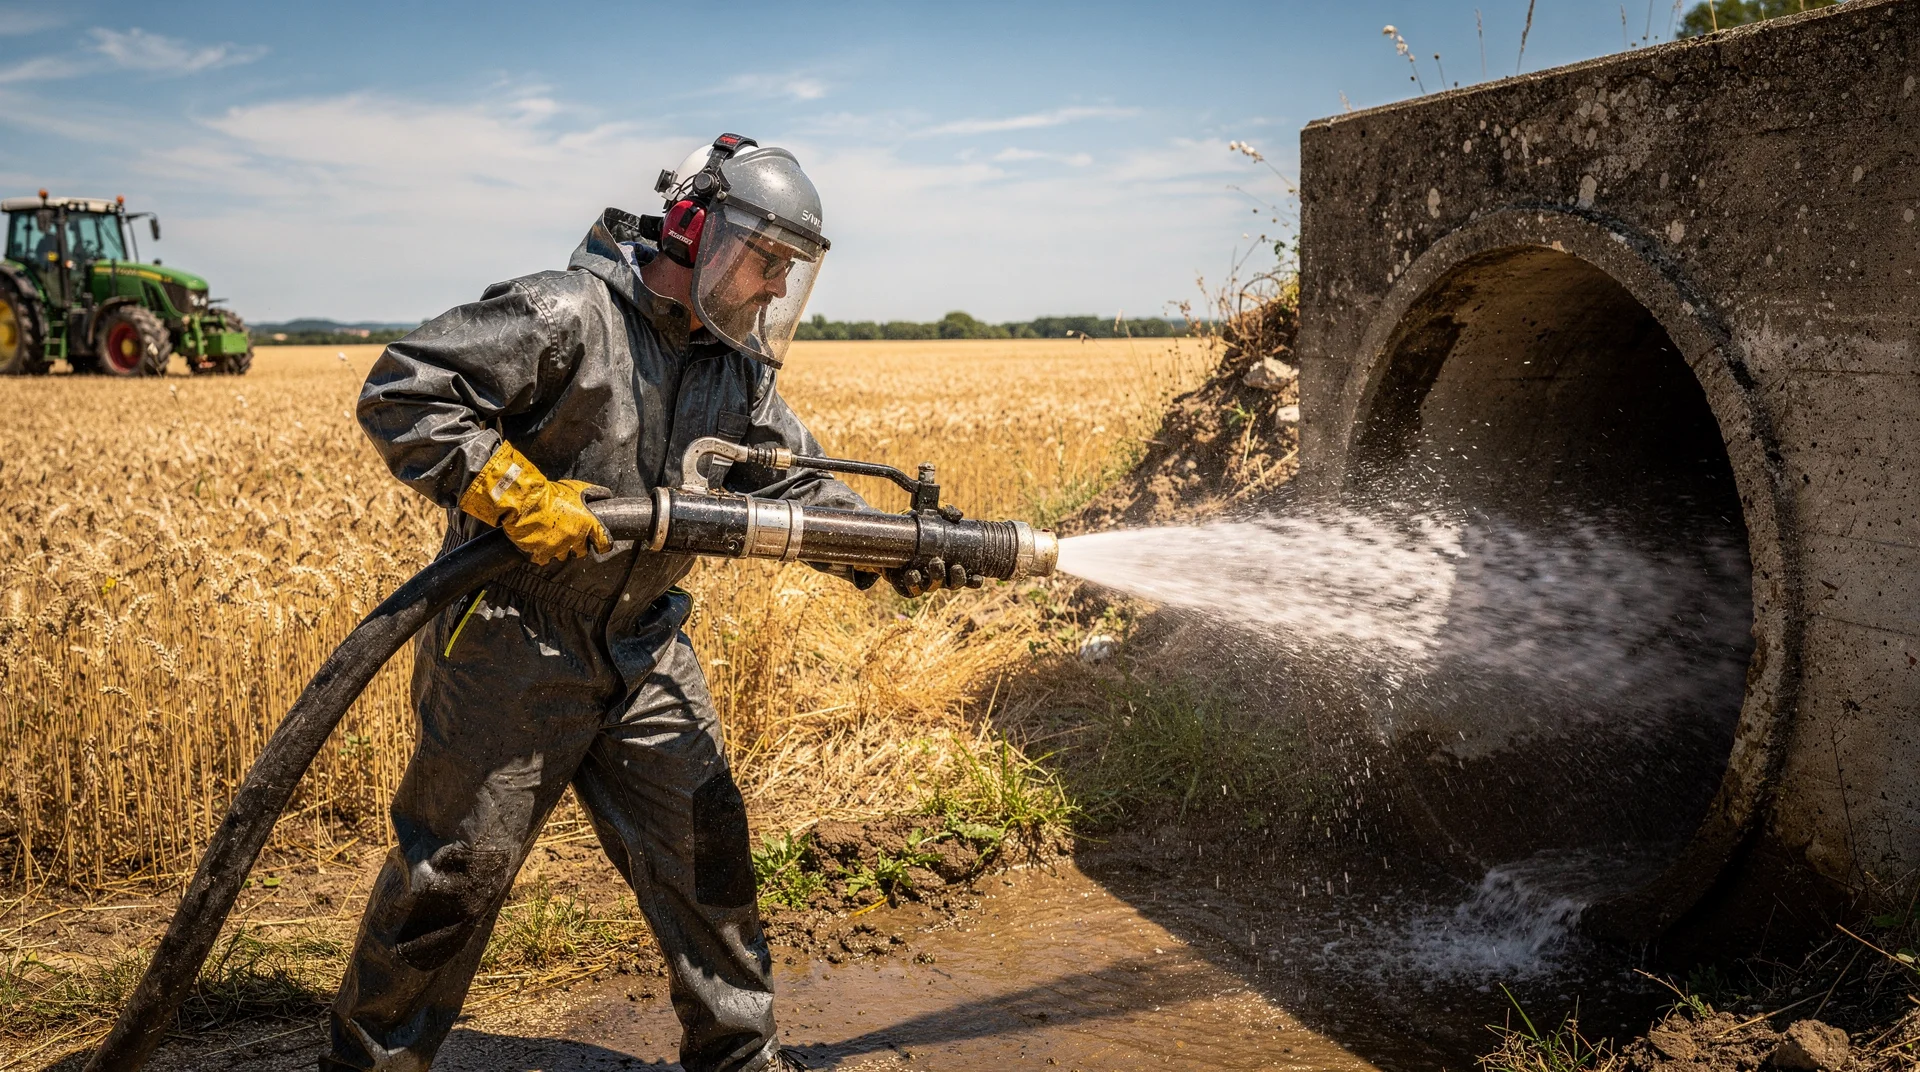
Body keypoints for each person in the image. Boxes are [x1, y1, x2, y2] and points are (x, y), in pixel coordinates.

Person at [334, 134, 950, 1072]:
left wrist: (891, 550)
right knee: (450, 881)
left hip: (645, 647)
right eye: (767, 261)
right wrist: (514, 491)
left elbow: (791, 487)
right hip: (511, 637)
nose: (777, 289)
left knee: (708, 854)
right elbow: (405, 389)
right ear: (696, 229)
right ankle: (371, 1063)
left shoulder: (736, 366)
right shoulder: (568, 314)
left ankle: (739, 1056)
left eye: (792, 269)